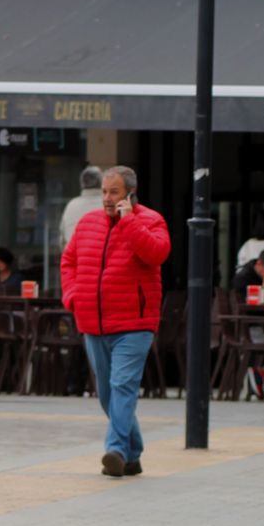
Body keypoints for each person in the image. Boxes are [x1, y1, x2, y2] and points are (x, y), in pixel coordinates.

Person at [62, 167, 170, 479]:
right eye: (105, 192)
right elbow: (69, 261)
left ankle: (117, 450)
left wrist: (129, 221)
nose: (108, 199)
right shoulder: (88, 223)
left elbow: (157, 253)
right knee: (108, 394)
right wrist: (73, 294)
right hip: (92, 322)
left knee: (123, 387)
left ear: (130, 193)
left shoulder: (150, 220)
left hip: (134, 324)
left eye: (114, 192)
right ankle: (133, 454)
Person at [60, 166, 104, 250]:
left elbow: (62, 240)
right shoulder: (110, 204)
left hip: (75, 259)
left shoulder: (71, 205)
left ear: (82, 183)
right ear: (102, 183)